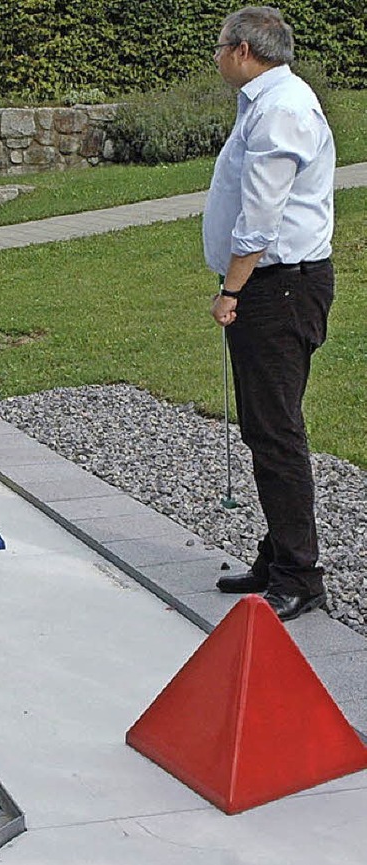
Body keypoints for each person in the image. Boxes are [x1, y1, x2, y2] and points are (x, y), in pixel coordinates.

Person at [203, 6, 335, 622]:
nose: (217, 56)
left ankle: (300, 575)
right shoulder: (265, 99)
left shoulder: (281, 108)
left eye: (221, 47)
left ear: (243, 51)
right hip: (273, 284)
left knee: (276, 430)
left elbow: (261, 214)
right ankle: (277, 555)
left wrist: (232, 289)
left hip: (278, 287)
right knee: (263, 426)